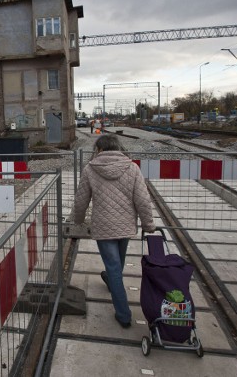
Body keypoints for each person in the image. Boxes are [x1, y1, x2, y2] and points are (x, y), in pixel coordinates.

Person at [71, 134, 155, 328]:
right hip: (125, 226)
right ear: (119, 147)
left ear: (99, 149)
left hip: (104, 226)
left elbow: (81, 199)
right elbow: (142, 200)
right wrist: (148, 224)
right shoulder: (132, 168)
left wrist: (78, 220)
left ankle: (124, 314)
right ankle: (111, 280)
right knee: (117, 264)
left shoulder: (90, 169)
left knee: (114, 267)